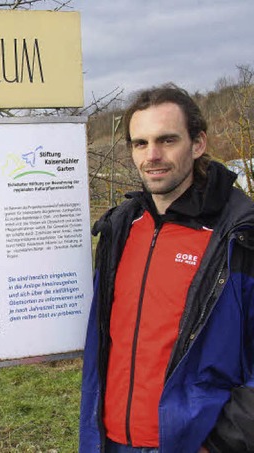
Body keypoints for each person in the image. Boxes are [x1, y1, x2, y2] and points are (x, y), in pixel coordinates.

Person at [79, 84, 254, 453]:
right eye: (140, 143)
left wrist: (225, 441)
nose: (152, 155)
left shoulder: (239, 236)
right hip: (110, 441)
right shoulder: (120, 229)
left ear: (198, 143)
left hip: (194, 444)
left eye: (167, 140)